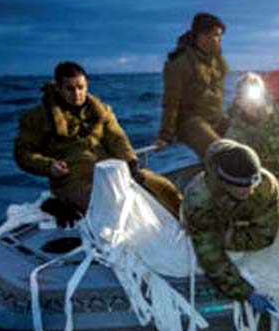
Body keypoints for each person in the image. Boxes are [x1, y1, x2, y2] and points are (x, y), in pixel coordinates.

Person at [14, 61, 182, 222]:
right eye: (69, 89)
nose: (77, 94)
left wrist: (131, 162)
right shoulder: (37, 117)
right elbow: (23, 153)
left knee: (164, 188)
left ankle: (189, 226)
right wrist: (48, 166)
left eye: (81, 87)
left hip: (111, 170)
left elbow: (117, 139)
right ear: (58, 88)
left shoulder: (101, 111)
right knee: (111, 208)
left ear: (87, 85)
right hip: (72, 179)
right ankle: (60, 204)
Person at [181, 140, 279, 302]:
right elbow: (211, 256)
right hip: (209, 223)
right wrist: (245, 292)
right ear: (224, 182)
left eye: (252, 183)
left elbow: (266, 235)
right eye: (240, 185)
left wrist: (228, 238)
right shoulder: (199, 199)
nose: (249, 190)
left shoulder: (266, 186)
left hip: (233, 226)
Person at [155, 12, 230, 159]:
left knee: (247, 135)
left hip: (215, 118)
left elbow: (221, 80)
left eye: (220, 36)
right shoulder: (179, 64)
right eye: (216, 35)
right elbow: (171, 102)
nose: (219, 40)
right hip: (190, 122)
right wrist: (165, 136)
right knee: (220, 153)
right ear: (202, 36)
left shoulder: (216, 60)